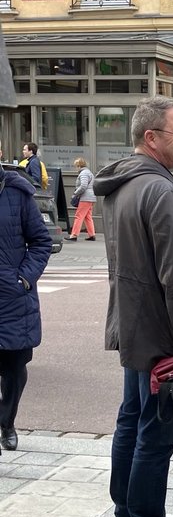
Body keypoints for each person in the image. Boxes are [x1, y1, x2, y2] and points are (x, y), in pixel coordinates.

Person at [94, 96, 173, 517]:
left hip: (134, 324)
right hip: (162, 333)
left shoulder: (121, 184)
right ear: (151, 138)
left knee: (130, 419)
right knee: (156, 432)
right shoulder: (160, 191)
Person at [0, 141, 52, 453]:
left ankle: (7, 422)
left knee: (15, 371)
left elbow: (41, 241)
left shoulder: (16, 192)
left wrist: (23, 279)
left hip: (13, 298)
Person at [66, 157, 96, 242]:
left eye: (76, 166)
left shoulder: (84, 173)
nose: (76, 168)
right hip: (91, 197)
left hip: (85, 197)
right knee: (87, 216)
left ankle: (74, 235)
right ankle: (92, 235)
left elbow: (83, 186)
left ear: (79, 165)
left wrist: (75, 194)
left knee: (79, 216)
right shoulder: (88, 172)